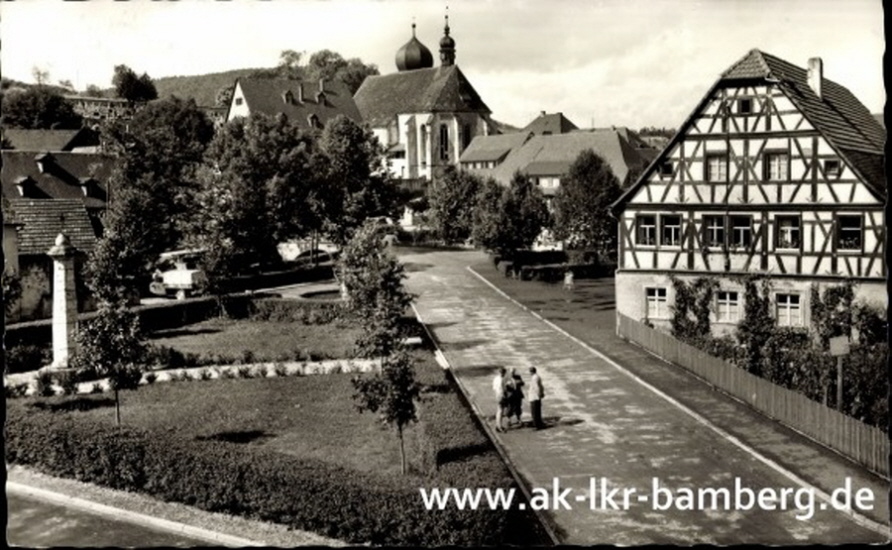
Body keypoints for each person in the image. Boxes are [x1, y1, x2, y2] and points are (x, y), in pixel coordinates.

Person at [492, 367, 508, 432]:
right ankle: (499, 426)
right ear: (504, 373)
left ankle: (497, 425)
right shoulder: (502, 379)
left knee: (499, 410)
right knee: (501, 411)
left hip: (497, 395)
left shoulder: (496, 378)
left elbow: (494, 388)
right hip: (501, 395)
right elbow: (504, 389)